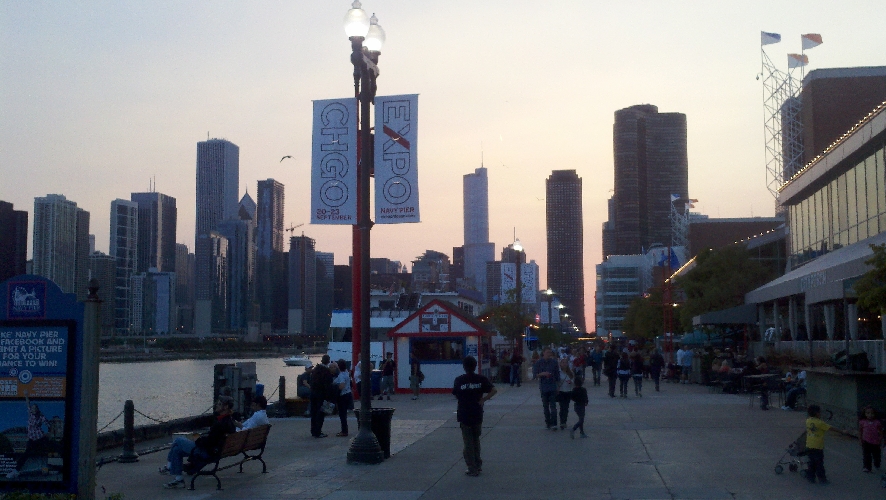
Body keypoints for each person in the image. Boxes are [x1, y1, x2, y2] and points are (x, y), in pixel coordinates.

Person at [161, 397, 236, 489]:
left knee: (178, 440)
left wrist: (197, 439)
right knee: (177, 450)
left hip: (208, 452)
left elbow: (208, 443)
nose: (216, 405)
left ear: (226, 407)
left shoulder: (220, 423)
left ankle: (169, 466)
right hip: (216, 451)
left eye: (219, 404)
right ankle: (178, 479)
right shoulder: (229, 421)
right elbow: (214, 439)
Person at [452, 355, 497, 477]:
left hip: (464, 413)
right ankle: (478, 463)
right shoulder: (481, 379)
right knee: (476, 440)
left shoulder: (459, 380)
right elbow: (494, 390)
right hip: (477, 412)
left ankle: (471, 467)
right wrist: (483, 399)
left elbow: (455, 394)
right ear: (475, 366)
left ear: (464, 367)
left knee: (468, 443)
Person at [5, 393, 50, 480]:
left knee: (48, 448)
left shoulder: (40, 417)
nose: (33, 409)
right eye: (32, 408)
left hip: (39, 438)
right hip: (32, 439)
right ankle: (16, 471)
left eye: (34, 408)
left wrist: (48, 433)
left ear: (37, 409)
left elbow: (48, 424)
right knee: (26, 454)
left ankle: (54, 466)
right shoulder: (30, 414)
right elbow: (27, 404)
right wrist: (26, 395)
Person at [805, 404, 838, 484]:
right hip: (818, 446)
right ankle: (822, 479)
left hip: (809, 445)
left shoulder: (808, 421)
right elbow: (830, 428)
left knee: (811, 462)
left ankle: (811, 477)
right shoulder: (820, 423)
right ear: (817, 413)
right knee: (819, 463)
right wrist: (842, 432)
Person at [532, 347, 560, 430]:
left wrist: (558, 386)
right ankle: (548, 422)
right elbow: (535, 374)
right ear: (543, 353)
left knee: (553, 406)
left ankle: (554, 423)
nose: (549, 354)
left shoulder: (554, 362)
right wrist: (542, 374)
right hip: (544, 386)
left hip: (552, 386)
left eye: (550, 353)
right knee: (545, 406)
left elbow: (557, 375)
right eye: (547, 352)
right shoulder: (539, 362)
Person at [310, 354, 334, 438]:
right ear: (328, 361)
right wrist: (328, 397)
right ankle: (318, 431)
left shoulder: (315, 369)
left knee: (313, 412)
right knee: (320, 413)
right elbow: (328, 385)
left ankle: (313, 430)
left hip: (313, 393)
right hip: (321, 394)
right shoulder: (326, 371)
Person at [859, 406, 883, 473]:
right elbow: (860, 431)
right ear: (865, 414)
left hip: (875, 442)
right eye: (868, 413)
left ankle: (877, 463)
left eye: (872, 413)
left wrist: (880, 439)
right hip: (866, 441)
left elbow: (881, 432)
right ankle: (867, 467)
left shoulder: (877, 422)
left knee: (876, 455)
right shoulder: (862, 422)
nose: (870, 415)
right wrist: (860, 439)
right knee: (866, 455)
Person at [333, 359, 353, 437]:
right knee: (344, 414)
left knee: (342, 414)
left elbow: (341, 386)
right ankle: (344, 430)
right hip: (348, 394)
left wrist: (335, 387)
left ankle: (344, 431)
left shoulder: (341, 375)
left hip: (342, 396)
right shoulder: (346, 373)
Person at [556, 358, 575, 430]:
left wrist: (571, 382)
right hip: (561, 391)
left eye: (565, 362)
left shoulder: (570, 373)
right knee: (562, 407)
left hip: (568, 391)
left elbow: (573, 381)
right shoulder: (558, 372)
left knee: (566, 407)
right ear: (560, 364)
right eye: (563, 362)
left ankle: (564, 421)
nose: (564, 364)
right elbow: (557, 382)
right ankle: (562, 422)